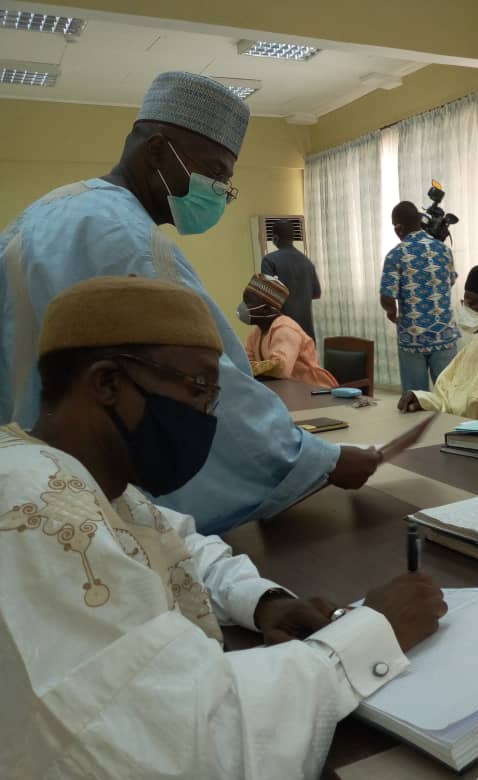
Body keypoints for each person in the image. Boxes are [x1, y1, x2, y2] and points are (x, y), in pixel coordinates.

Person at [0, 275, 448, 779]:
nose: (206, 416)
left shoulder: (89, 482)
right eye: (197, 388)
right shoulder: (32, 508)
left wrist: (262, 601)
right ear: (106, 383)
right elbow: (178, 742)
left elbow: (179, 545)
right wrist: (373, 634)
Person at [0, 71, 380, 534]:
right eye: (216, 173)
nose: (220, 192)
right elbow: (206, 384)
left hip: (27, 478)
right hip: (98, 498)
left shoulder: (41, 215)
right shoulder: (131, 242)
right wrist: (316, 460)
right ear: (158, 151)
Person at [398, 265, 478, 418]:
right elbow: (445, 395)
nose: (465, 309)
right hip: (454, 429)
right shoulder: (476, 345)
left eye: (471, 304)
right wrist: (422, 399)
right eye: (464, 303)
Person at [379, 201, 460, 393]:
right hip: (445, 335)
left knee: (416, 399)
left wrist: (392, 313)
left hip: (413, 338)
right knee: (449, 395)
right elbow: (451, 280)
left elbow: (387, 296)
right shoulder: (443, 250)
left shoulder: (395, 255)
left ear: (398, 228)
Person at [240, 273, 338, 389]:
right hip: (288, 389)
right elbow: (244, 363)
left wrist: (252, 368)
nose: (243, 307)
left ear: (266, 308)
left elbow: (280, 368)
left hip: (315, 390)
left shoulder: (286, 329)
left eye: (248, 302)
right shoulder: (257, 331)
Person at [260, 219, 322, 339]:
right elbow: (316, 293)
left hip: (284, 331)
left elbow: (267, 296)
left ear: (275, 238)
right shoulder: (307, 262)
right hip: (306, 333)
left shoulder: (269, 260)